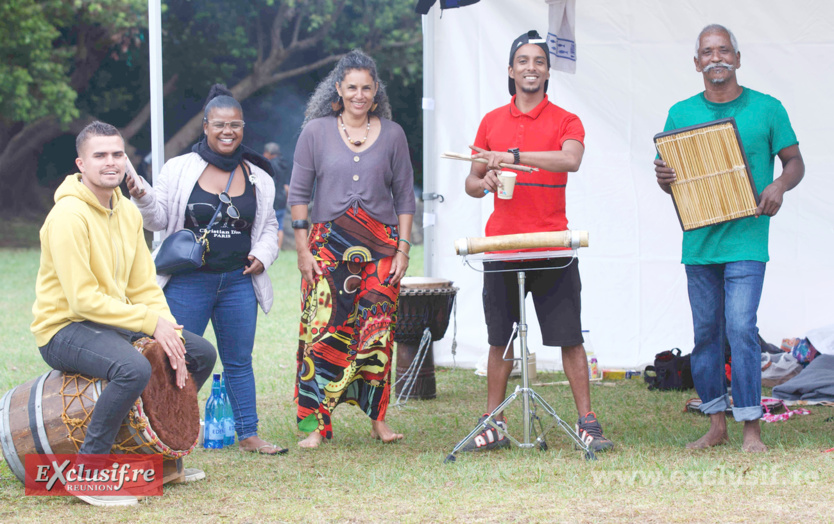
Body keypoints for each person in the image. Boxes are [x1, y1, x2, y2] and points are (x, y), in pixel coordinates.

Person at [32, 121, 217, 506]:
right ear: (81, 163)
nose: (111, 162)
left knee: (199, 353)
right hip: (64, 328)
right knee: (133, 369)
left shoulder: (129, 213)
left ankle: (157, 456)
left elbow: (143, 287)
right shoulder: (68, 216)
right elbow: (82, 300)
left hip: (110, 322)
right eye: (100, 155)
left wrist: (170, 332)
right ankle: (89, 473)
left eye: (118, 154)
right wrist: (149, 324)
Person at [654, 24, 804, 453]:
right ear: (697, 62)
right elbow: (671, 178)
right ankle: (716, 424)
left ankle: (751, 428)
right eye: (707, 51)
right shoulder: (680, 113)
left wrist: (778, 186)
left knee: (741, 328)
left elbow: (794, 162)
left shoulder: (767, 108)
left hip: (747, 237)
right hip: (700, 240)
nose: (715, 57)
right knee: (706, 333)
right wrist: (663, 178)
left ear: (738, 58)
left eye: (724, 50)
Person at [462, 30, 613, 453]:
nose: (531, 67)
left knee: (569, 338)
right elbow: (472, 182)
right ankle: (492, 423)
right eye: (523, 61)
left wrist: (511, 158)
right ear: (511, 71)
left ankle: (588, 422)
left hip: (551, 243)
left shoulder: (566, 119)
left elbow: (571, 160)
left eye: (539, 62)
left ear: (548, 71)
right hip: (501, 245)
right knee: (500, 339)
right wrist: (485, 178)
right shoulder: (492, 120)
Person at [130, 84, 286, 455]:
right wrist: (141, 194)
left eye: (234, 124)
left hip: (237, 282)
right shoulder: (179, 168)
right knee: (174, 357)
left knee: (238, 360)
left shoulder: (258, 176)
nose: (227, 131)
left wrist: (263, 255)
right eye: (219, 124)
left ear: (243, 128)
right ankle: (160, 432)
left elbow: (267, 227)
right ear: (205, 126)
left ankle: (249, 434)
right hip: (187, 281)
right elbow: (160, 218)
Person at [288, 49, 415, 448]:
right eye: (351, 88)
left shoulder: (393, 133)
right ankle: (314, 425)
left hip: (381, 248)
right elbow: (298, 193)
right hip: (326, 247)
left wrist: (403, 249)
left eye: (366, 88)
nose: (359, 94)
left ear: (376, 92)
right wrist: (303, 249)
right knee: (321, 331)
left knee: (376, 334)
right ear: (338, 91)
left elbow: (405, 196)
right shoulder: (315, 132)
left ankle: (378, 420)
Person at [263, 142, 290, 250]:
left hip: (272, 199)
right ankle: (278, 248)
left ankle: (268, 247)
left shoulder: (270, 165)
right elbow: (286, 185)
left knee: (267, 224)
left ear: (269, 153)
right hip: (282, 199)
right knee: (280, 225)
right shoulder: (284, 164)